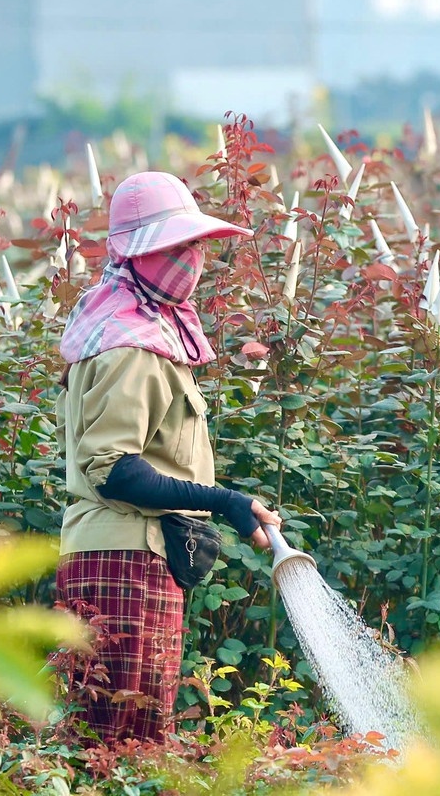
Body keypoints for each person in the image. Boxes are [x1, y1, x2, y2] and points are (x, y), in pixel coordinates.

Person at [55, 170, 282, 743]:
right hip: (124, 562)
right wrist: (223, 501)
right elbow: (115, 470)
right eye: (172, 248)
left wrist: (227, 505)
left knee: (113, 742)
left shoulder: (138, 329)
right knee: (125, 743)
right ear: (136, 255)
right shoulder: (131, 346)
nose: (190, 260)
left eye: (193, 245)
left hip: (129, 558)